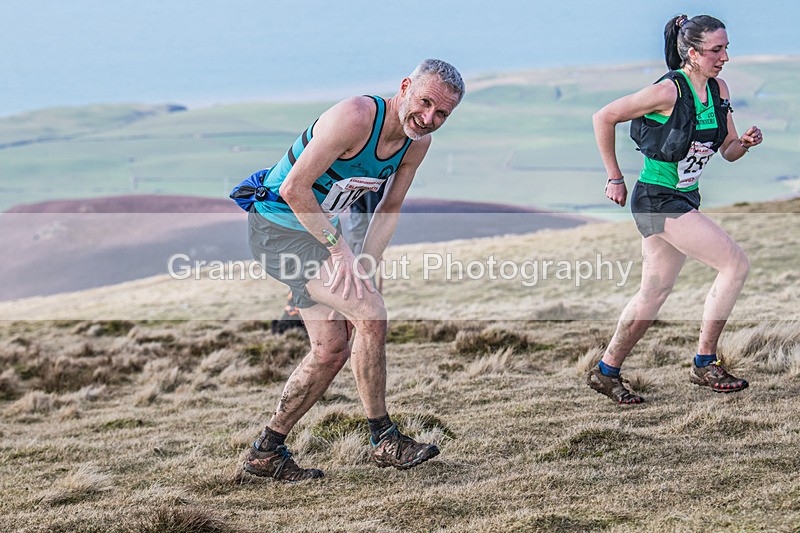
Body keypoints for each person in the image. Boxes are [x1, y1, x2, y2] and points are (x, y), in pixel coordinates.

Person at [242, 59, 464, 480]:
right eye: (425, 103)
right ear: (405, 87)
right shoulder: (357, 117)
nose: (429, 118)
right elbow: (293, 189)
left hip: (318, 233)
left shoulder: (416, 142)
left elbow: (390, 207)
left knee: (331, 350)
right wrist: (341, 252)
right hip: (277, 228)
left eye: (442, 114)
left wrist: (368, 263)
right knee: (371, 315)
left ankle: (266, 452)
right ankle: (384, 439)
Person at [587, 14, 763, 404]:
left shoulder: (719, 90)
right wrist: (614, 177)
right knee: (735, 264)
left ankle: (605, 370)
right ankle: (705, 361)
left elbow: (728, 151)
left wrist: (746, 142)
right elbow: (604, 116)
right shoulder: (668, 91)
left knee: (653, 292)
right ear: (693, 53)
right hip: (657, 199)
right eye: (717, 50)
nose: (725, 57)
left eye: (726, 48)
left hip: (684, 198)